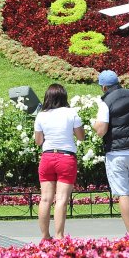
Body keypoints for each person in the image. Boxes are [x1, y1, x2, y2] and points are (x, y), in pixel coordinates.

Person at [92, 69, 129, 238]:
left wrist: (95, 125)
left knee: (123, 193)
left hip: (117, 153)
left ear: (104, 87)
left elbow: (101, 130)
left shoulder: (106, 101)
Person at [34, 83, 85, 240]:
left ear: (47, 97)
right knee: (61, 199)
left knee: (45, 198)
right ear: (64, 96)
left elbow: (38, 141)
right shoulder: (71, 113)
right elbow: (81, 136)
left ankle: (44, 236)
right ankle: (59, 236)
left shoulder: (41, 115)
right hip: (66, 157)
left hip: (47, 157)